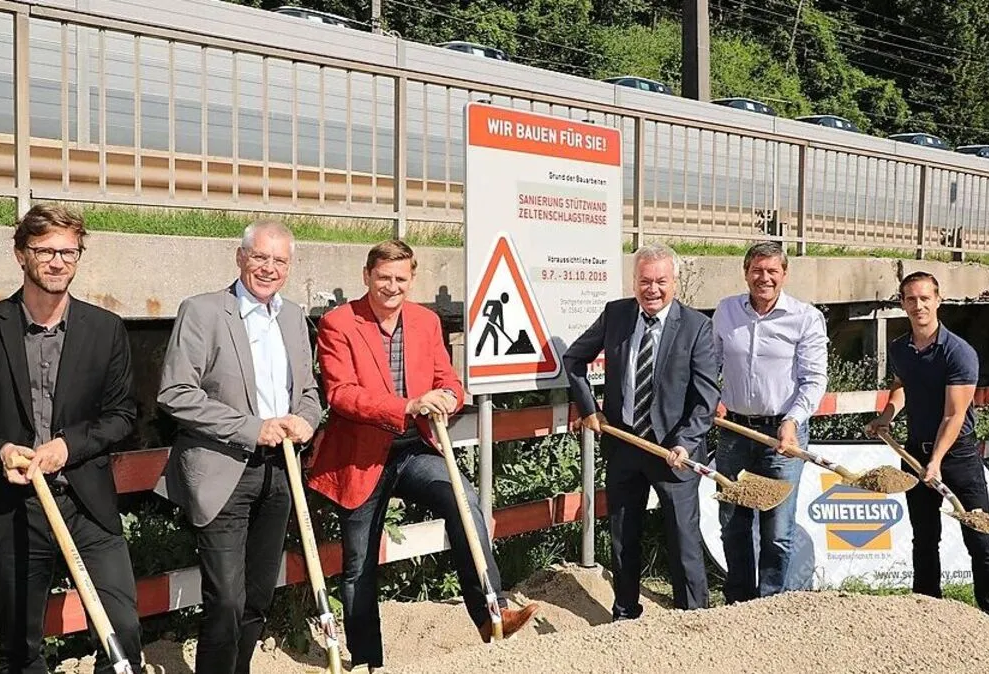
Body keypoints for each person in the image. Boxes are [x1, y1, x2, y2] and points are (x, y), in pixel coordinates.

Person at [0, 203, 142, 673]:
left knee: (122, 631)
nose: (58, 262)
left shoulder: (106, 331)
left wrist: (69, 446)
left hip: (86, 506)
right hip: (13, 510)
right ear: (21, 254)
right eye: (45, 250)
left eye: (69, 251)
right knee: (21, 649)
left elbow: (124, 415)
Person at [307, 240, 538, 672]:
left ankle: (492, 612)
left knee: (465, 502)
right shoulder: (338, 323)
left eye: (400, 278)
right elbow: (340, 395)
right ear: (366, 276)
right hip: (360, 457)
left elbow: (447, 378)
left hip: (415, 449)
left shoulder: (426, 322)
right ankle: (367, 660)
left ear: (411, 279)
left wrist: (450, 397)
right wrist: (407, 406)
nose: (391, 286)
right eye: (383, 277)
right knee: (358, 563)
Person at [157, 221, 323, 673]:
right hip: (223, 470)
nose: (269, 268)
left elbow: (309, 392)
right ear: (240, 257)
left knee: (257, 596)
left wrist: (305, 422)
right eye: (261, 257)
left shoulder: (292, 317)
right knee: (226, 600)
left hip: (279, 472)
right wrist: (253, 428)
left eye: (280, 261)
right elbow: (176, 393)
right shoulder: (203, 311)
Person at [563, 243, 720, 618]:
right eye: (645, 281)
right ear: (634, 282)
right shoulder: (616, 315)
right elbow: (573, 359)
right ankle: (625, 612)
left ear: (675, 282)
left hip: (673, 453)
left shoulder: (697, 327)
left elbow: (706, 398)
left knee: (683, 538)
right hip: (625, 444)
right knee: (623, 536)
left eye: (661, 281)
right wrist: (590, 410)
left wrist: (686, 441)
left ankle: (693, 616)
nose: (653, 289)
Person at [865, 271, 989, 621]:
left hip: (957, 456)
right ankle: (927, 612)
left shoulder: (958, 352)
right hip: (915, 452)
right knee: (924, 538)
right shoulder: (900, 348)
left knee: (980, 538)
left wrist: (937, 461)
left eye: (925, 298)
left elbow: (955, 415)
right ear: (902, 303)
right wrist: (887, 417)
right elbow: (902, 385)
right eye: (911, 299)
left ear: (938, 300)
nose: (918, 305)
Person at [711, 241, 828, 603]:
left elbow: (815, 379)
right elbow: (710, 362)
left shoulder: (805, 317)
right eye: (757, 270)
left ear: (784, 274)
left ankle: (771, 602)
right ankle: (739, 600)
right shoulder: (726, 311)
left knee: (777, 529)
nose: (764, 278)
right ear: (746, 272)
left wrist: (792, 421)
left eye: (772, 271)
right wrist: (711, 397)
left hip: (782, 436)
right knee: (733, 523)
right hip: (735, 432)